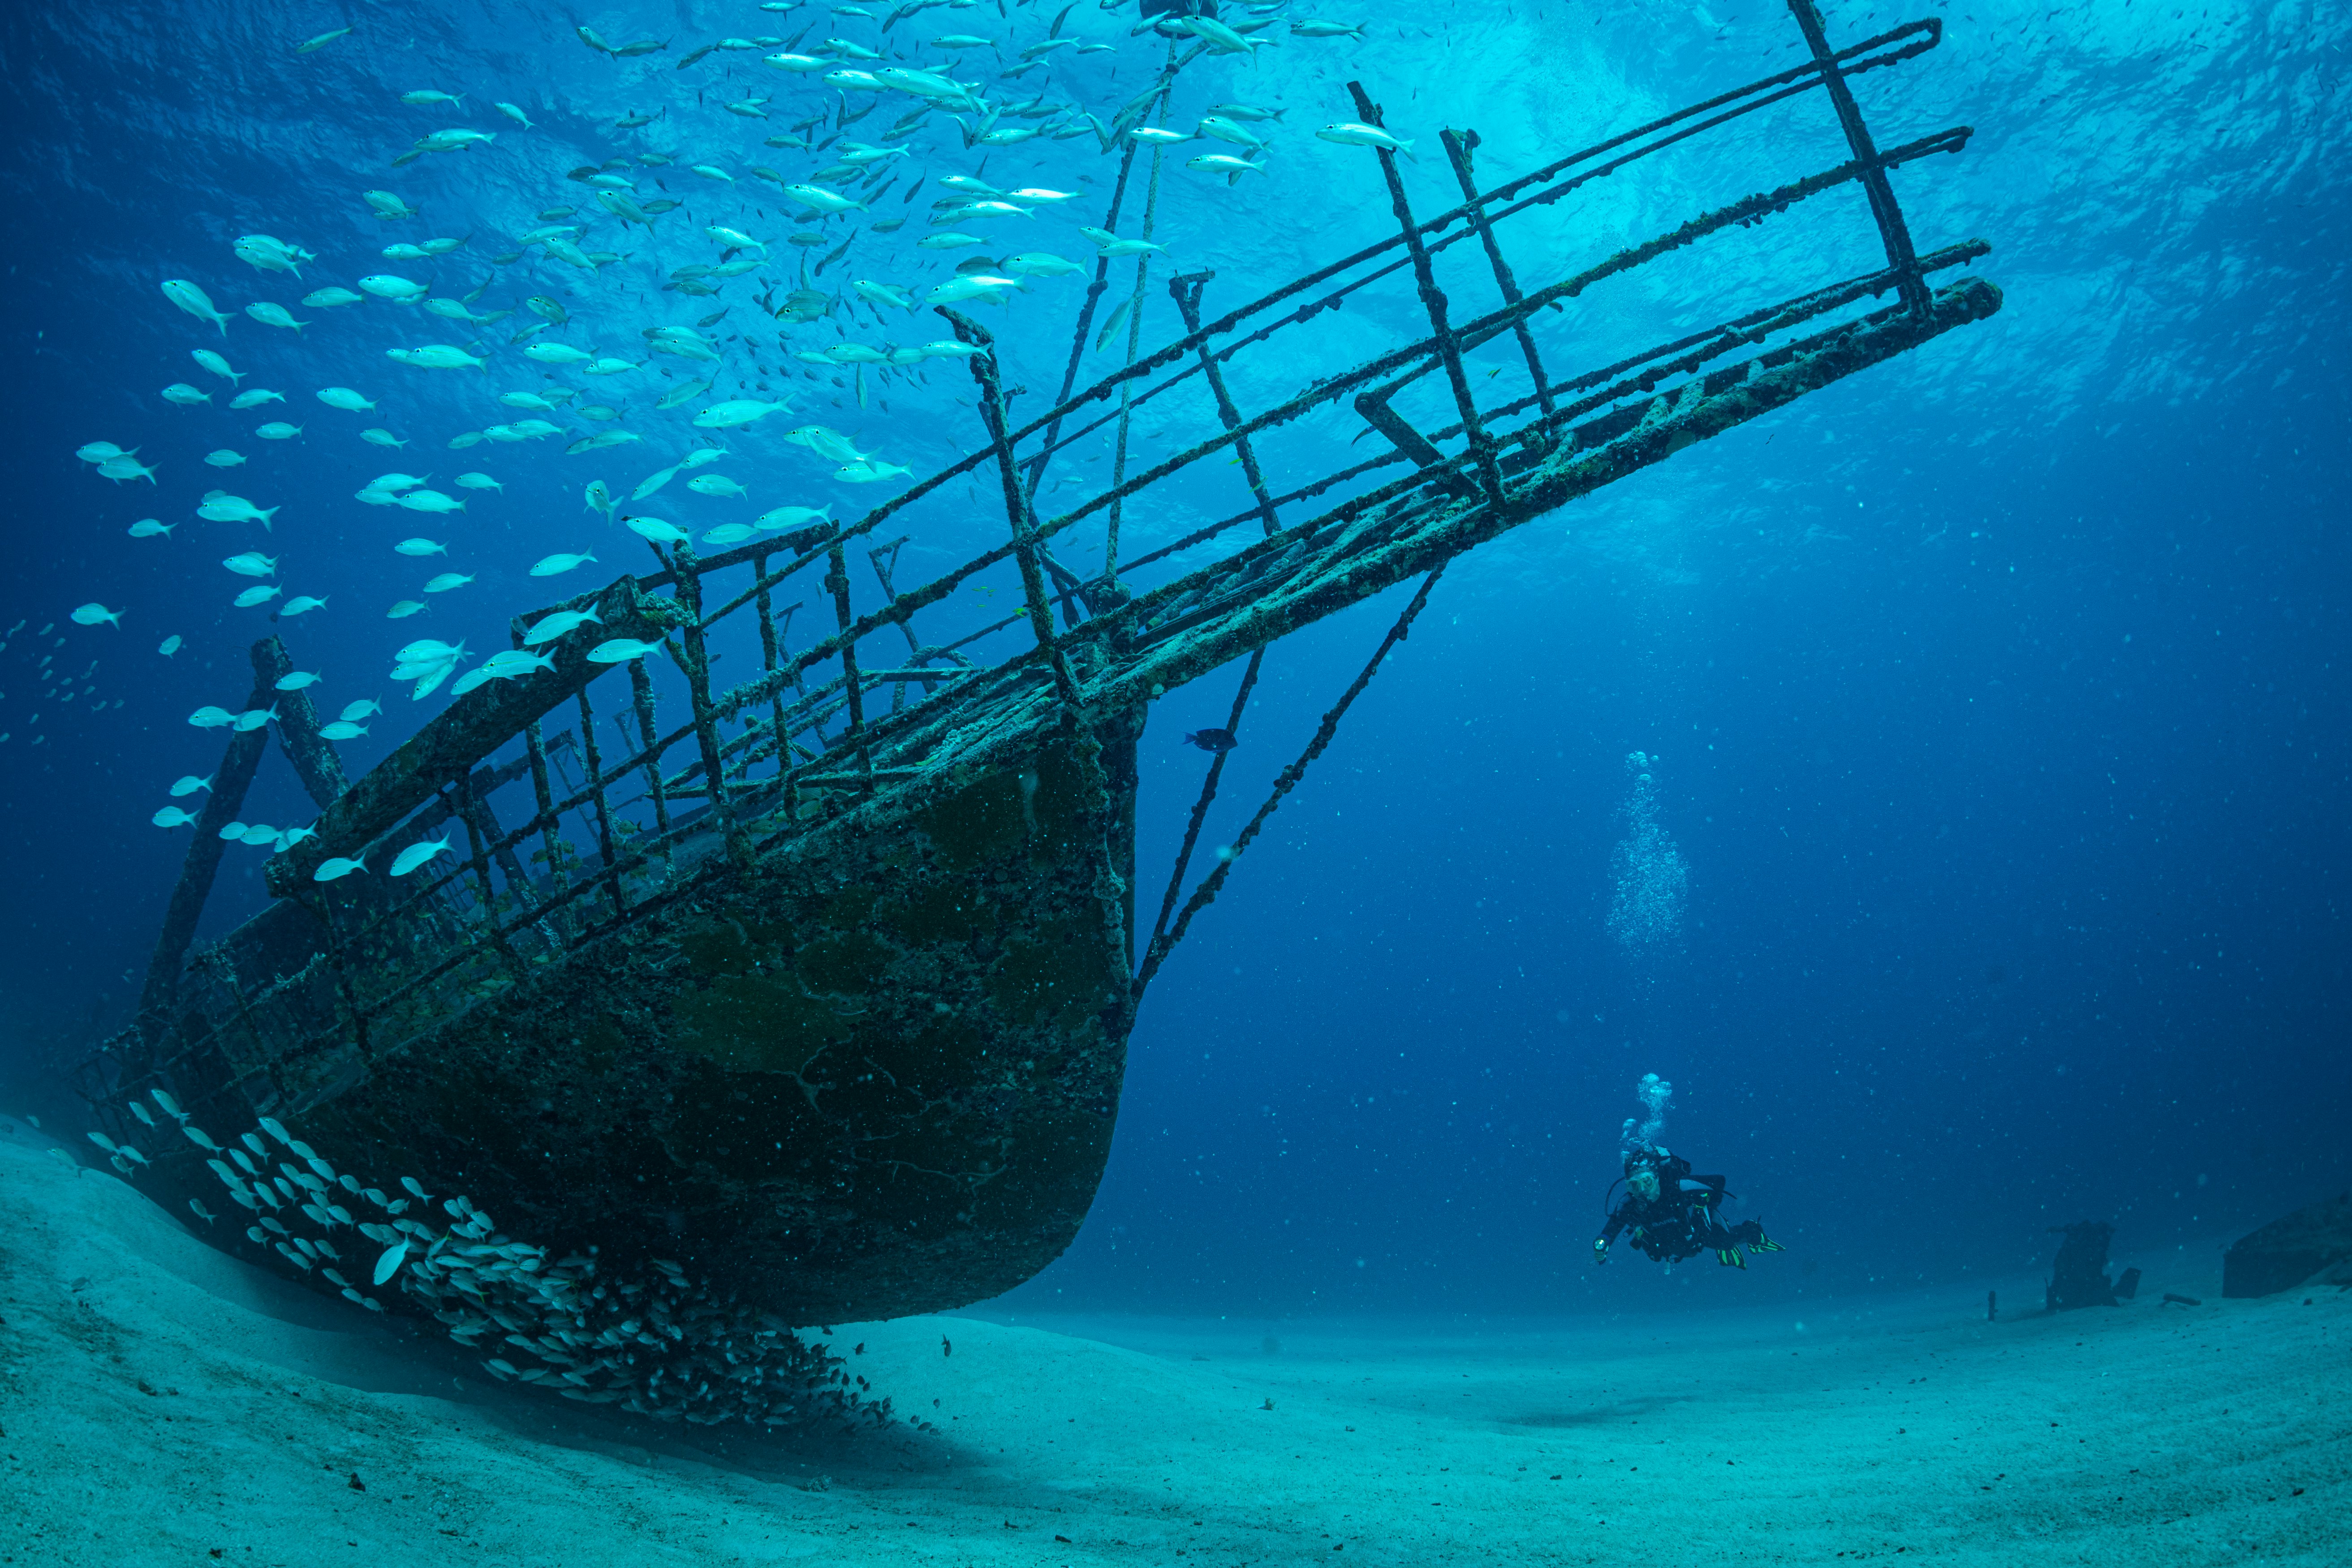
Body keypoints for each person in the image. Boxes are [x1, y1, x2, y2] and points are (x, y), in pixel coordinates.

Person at [1592, 1143, 1783, 1269]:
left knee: (1725, 1242)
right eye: (1634, 1186)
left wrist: (1708, 1204)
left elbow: (1719, 1182)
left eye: (1647, 1182)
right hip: (1670, 1244)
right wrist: (1604, 1243)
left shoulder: (1678, 1187)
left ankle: (1753, 1231)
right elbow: (1614, 1225)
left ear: (1657, 1178)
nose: (1642, 1191)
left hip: (1698, 1232)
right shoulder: (1629, 1203)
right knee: (1656, 1253)